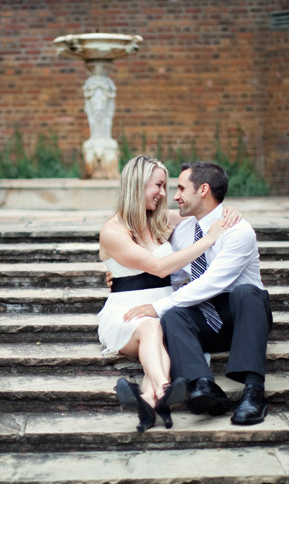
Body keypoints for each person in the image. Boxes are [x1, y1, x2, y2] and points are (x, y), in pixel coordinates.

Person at [123, 161, 273, 425]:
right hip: (207, 319)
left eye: (181, 188)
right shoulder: (184, 231)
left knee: (248, 293)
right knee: (174, 317)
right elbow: (174, 274)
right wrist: (126, 278)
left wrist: (159, 306)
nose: (176, 195)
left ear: (203, 189)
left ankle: (254, 392)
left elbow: (213, 282)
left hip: (243, 320)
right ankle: (204, 385)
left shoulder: (239, 231)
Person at [98, 155, 240, 432]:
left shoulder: (162, 219)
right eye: (159, 185)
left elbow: (205, 210)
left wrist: (228, 210)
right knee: (151, 327)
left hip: (165, 306)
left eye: (166, 186)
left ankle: (150, 402)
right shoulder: (112, 231)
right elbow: (159, 267)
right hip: (127, 311)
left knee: (162, 332)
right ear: (137, 185)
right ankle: (166, 386)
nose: (165, 194)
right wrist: (209, 238)